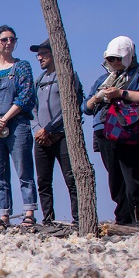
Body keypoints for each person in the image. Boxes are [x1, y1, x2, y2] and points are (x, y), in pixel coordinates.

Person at [84, 36, 139, 225]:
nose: (114, 63)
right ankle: (124, 220)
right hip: (105, 131)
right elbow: (85, 108)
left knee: (136, 176)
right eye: (110, 59)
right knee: (115, 179)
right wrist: (99, 97)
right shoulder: (102, 80)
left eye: (118, 58)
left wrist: (122, 94)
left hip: (133, 130)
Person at [0, 26, 38, 228]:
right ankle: (4, 214)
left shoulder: (22, 67)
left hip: (17, 122)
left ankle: (28, 211)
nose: (8, 43)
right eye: (4, 40)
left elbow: (26, 96)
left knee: (24, 168)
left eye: (12, 39)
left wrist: (6, 117)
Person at [30, 39, 82, 225]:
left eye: (43, 53)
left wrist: (49, 128)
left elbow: (72, 107)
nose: (39, 58)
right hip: (41, 139)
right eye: (38, 54)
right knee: (43, 181)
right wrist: (37, 129)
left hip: (62, 136)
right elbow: (32, 108)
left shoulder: (68, 76)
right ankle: (48, 219)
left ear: (54, 54)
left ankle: (78, 218)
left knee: (71, 178)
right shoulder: (39, 80)